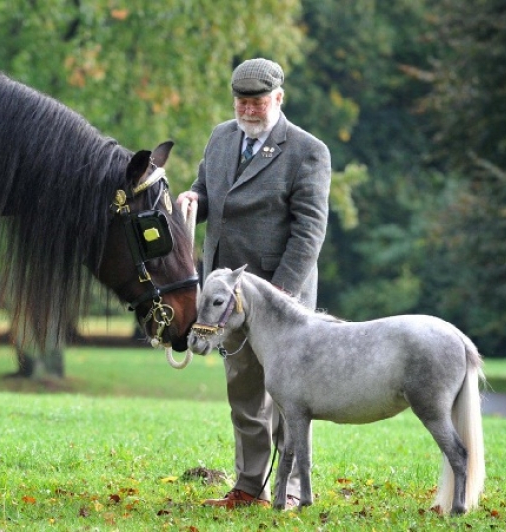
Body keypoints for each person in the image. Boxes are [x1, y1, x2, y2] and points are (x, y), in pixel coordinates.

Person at [177, 58, 331, 509]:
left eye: (257, 101)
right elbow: (208, 197)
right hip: (226, 299)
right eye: (242, 101)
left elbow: (309, 232)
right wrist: (192, 201)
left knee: (289, 399)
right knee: (243, 391)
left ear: (278, 98)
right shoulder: (221, 138)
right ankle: (249, 487)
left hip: (282, 300)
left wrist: (281, 293)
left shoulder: (308, 151)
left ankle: (295, 486)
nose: (248, 109)